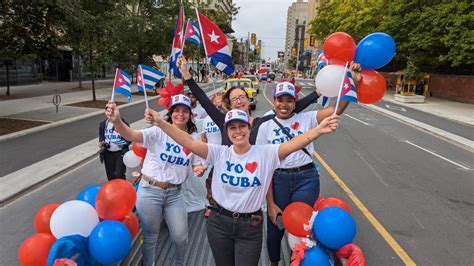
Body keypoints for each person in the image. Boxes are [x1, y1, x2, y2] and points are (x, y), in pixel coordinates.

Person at [144, 107, 339, 266]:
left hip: (250, 227)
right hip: (219, 223)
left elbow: (295, 143)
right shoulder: (219, 153)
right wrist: (161, 123)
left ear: (249, 127)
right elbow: (187, 140)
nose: (237, 131)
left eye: (241, 126)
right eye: (232, 128)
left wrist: (318, 130)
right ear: (227, 132)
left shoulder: (266, 153)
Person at [259, 65, 361, 266]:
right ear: (274, 100)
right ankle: (273, 262)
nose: (284, 105)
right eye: (281, 100)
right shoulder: (265, 127)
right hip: (278, 180)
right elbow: (265, 168)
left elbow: (336, 108)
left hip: (306, 180)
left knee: (304, 226)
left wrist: (353, 83)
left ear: (294, 102)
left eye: (289, 100)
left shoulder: (307, 118)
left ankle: (299, 261)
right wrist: (269, 203)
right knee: (274, 228)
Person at [105, 95, 206, 266]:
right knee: (151, 236)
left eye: (185, 111)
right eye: (176, 110)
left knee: (181, 237)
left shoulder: (193, 140)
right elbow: (131, 135)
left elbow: (197, 164)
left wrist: (198, 169)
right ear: (170, 113)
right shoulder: (158, 131)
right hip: (150, 191)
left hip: (175, 194)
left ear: (190, 114)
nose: (180, 114)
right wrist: (117, 121)